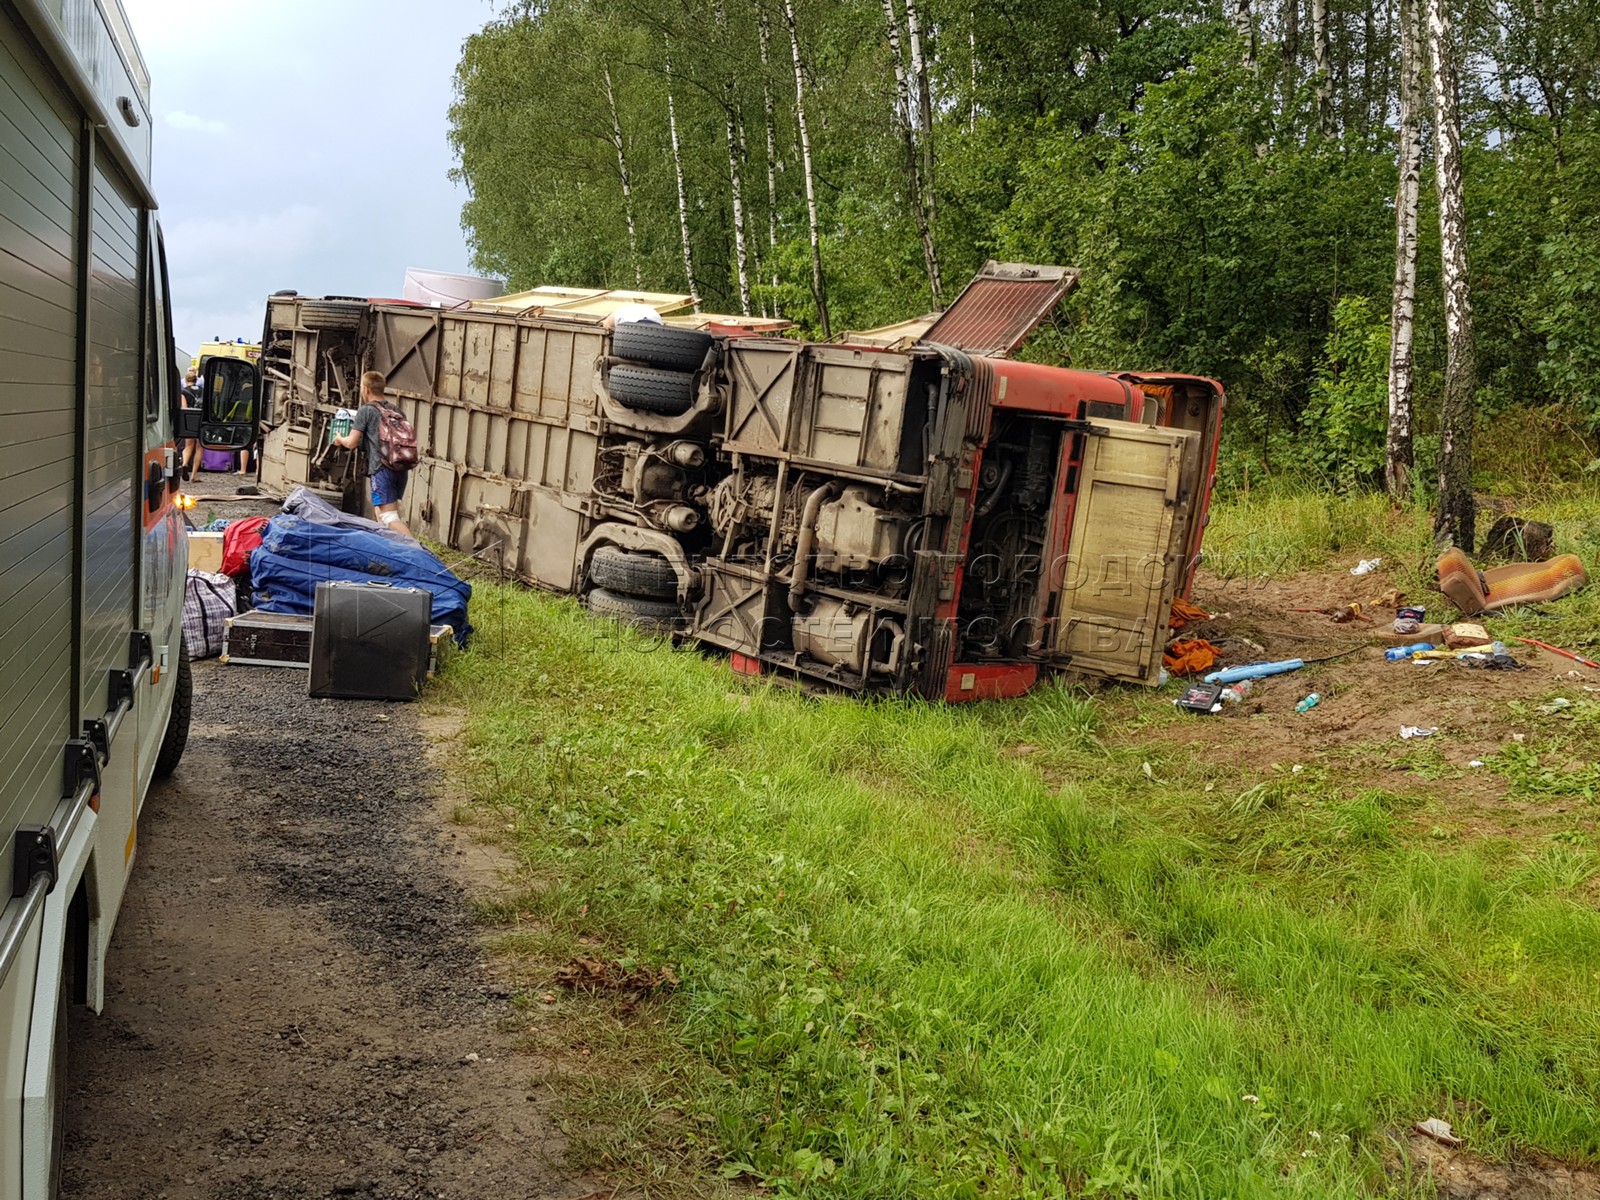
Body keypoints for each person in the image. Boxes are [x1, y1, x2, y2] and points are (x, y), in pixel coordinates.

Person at [332, 370, 413, 537]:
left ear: (366, 389)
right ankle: (390, 553)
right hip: (400, 467)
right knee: (380, 515)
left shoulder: (366, 411)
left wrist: (340, 438)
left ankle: (420, 553)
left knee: (388, 517)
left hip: (382, 469)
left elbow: (352, 442)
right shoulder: (396, 411)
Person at [180, 367, 202, 479]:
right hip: (201, 420)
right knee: (199, 447)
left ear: (186, 380)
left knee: (188, 446)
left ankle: (184, 464)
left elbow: (184, 408)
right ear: (196, 380)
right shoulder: (203, 390)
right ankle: (194, 475)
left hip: (190, 421)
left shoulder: (183, 392)